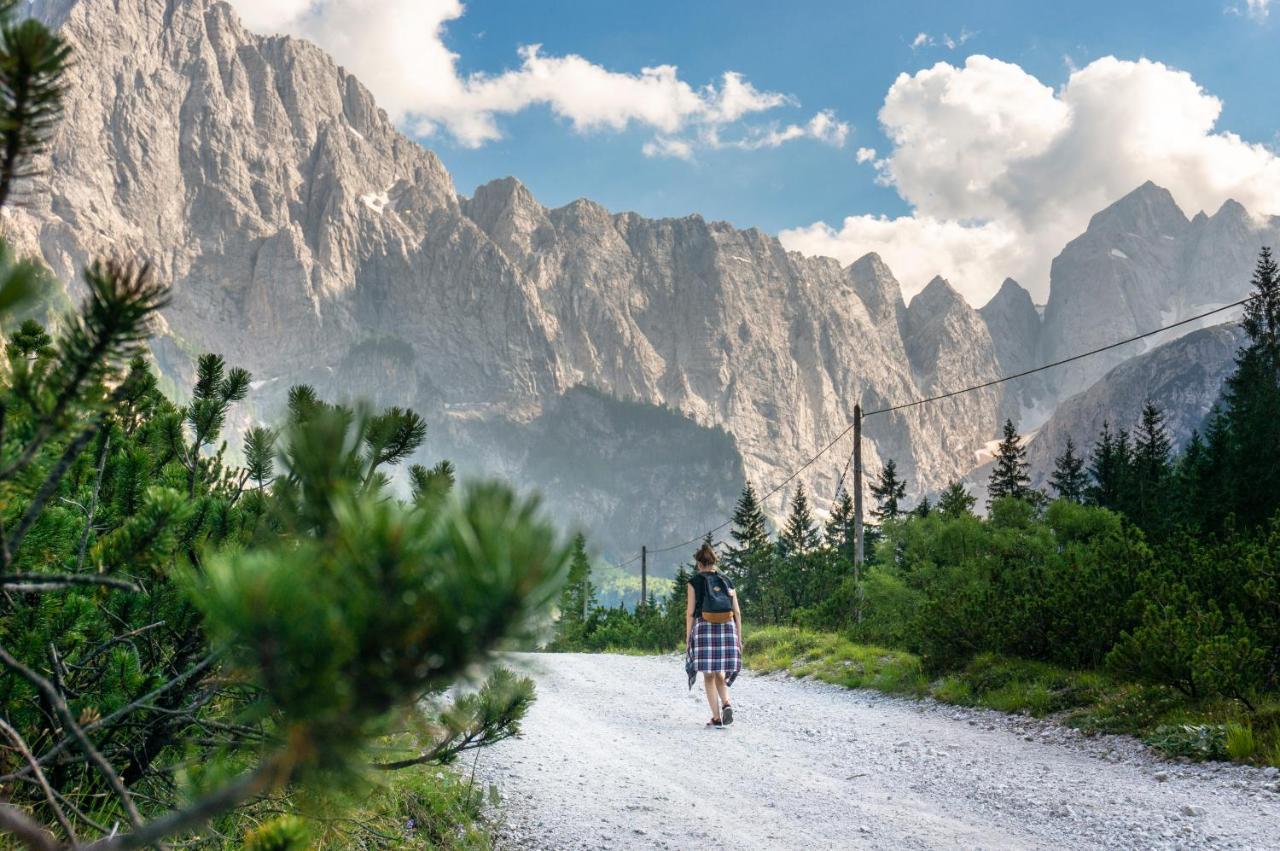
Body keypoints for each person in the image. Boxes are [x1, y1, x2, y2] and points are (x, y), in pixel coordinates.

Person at [685, 542, 742, 727]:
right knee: (721, 673)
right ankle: (726, 703)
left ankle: (716, 718)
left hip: (705, 628)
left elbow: (690, 613)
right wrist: (739, 638)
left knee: (708, 676)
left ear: (698, 564)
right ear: (714, 561)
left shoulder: (694, 582)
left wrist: (688, 638)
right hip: (727, 629)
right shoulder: (727, 581)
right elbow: (737, 612)